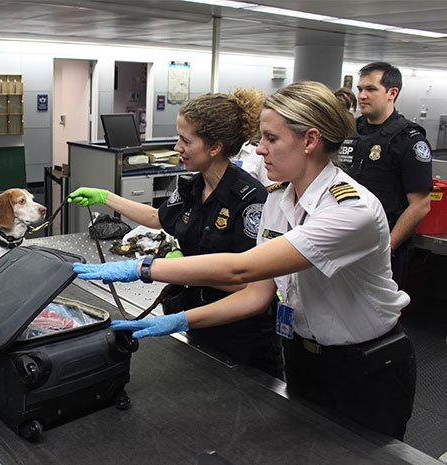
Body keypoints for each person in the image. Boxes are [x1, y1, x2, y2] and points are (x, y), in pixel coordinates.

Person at [73, 81, 416, 441]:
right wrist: (178, 320)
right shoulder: (277, 201)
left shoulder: (350, 210)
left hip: (363, 365)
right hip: (302, 356)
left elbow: (242, 268)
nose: (258, 149)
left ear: (310, 141)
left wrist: (142, 269)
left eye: (270, 138)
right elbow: (256, 294)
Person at [69, 89, 283, 380]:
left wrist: (172, 269)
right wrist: (106, 197)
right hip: (197, 322)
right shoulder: (192, 187)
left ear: (215, 147)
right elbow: (159, 218)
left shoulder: (250, 199)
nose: (177, 146)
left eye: (186, 140)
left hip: (239, 338)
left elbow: (248, 286)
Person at [339, 62, 432, 288]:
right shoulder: (349, 131)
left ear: (392, 93)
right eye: (360, 89)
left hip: (382, 247)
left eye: (371, 89)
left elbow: (420, 205)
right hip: (344, 240)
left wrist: (387, 247)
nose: (362, 95)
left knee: (378, 317)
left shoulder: (408, 140)